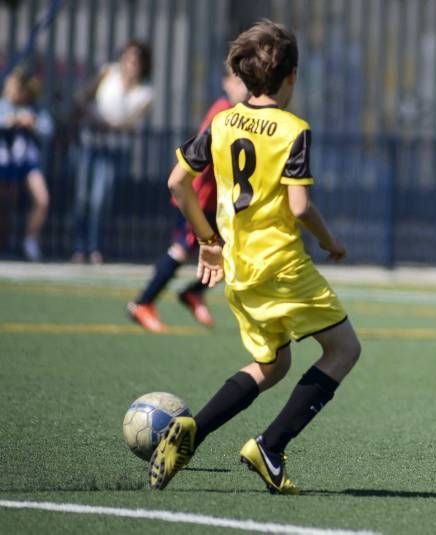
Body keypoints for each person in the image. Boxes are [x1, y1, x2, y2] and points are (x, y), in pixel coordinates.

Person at [148, 19, 361, 495]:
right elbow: (300, 206)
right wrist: (331, 243)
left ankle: (192, 430)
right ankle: (270, 445)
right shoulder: (293, 129)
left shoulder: (222, 121)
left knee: (273, 364)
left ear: (244, 77)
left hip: (239, 269)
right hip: (283, 265)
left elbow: (176, 184)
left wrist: (207, 240)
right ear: (291, 77)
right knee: (345, 350)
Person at [127, 69, 248, 332]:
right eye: (238, 81)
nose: (244, 88)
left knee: (234, 253)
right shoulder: (222, 111)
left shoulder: (238, 114)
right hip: (200, 200)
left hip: (216, 201)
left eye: (247, 82)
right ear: (225, 82)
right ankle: (143, 303)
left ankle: (193, 294)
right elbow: (204, 151)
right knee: (184, 249)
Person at [71, 40, 153, 264]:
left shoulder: (145, 92)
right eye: (128, 57)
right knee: (82, 197)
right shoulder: (108, 72)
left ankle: (95, 246)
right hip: (90, 142)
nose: (131, 63)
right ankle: (79, 246)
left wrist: (111, 124)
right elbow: (83, 97)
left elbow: (132, 123)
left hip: (114, 148)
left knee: (100, 198)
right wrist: (92, 116)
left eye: (136, 59)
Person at [0, 68, 53, 261]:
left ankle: (29, 241)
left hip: (27, 163)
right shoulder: (3, 106)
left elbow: (48, 129)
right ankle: (5, 245)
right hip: (4, 163)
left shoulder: (34, 109)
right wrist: (10, 121)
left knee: (42, 199)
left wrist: (33, 123)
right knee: (5, 206)